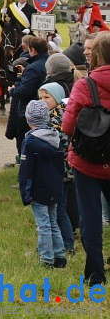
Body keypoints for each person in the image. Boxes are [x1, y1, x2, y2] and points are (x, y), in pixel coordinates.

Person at [62, 32, 110, 286]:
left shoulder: (84, 84)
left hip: (88, 161)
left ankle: (95, 275)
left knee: (90, 218)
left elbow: (68, 126)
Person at [18, 99, 67, 269]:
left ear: (28, 119)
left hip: (39, 188)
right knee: (53, 222)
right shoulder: (55, 138)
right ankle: (60, 255)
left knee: (43, 225)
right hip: (54, 187)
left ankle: (46, 259)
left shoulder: (30, 143)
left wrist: (25, 192)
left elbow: (26, 170)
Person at [40, 81, 77, 254]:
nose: (43, 101)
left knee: (60, 209)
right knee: (60, 207)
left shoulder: (58, 118)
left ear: (56, 97)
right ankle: (64, 242)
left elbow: (60, 143)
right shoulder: (53, 114)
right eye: (40, 97)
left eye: (46, 97)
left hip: (62, 170)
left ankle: (68, 245)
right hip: (61, 170)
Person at [6, 37, 50, 158]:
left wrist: (12, 90)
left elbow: (23, 91)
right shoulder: (47, 62)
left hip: (28, 110)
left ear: (33, 50)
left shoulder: (34, 67)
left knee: (24, 143)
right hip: (44, 107)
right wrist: (25, 74)